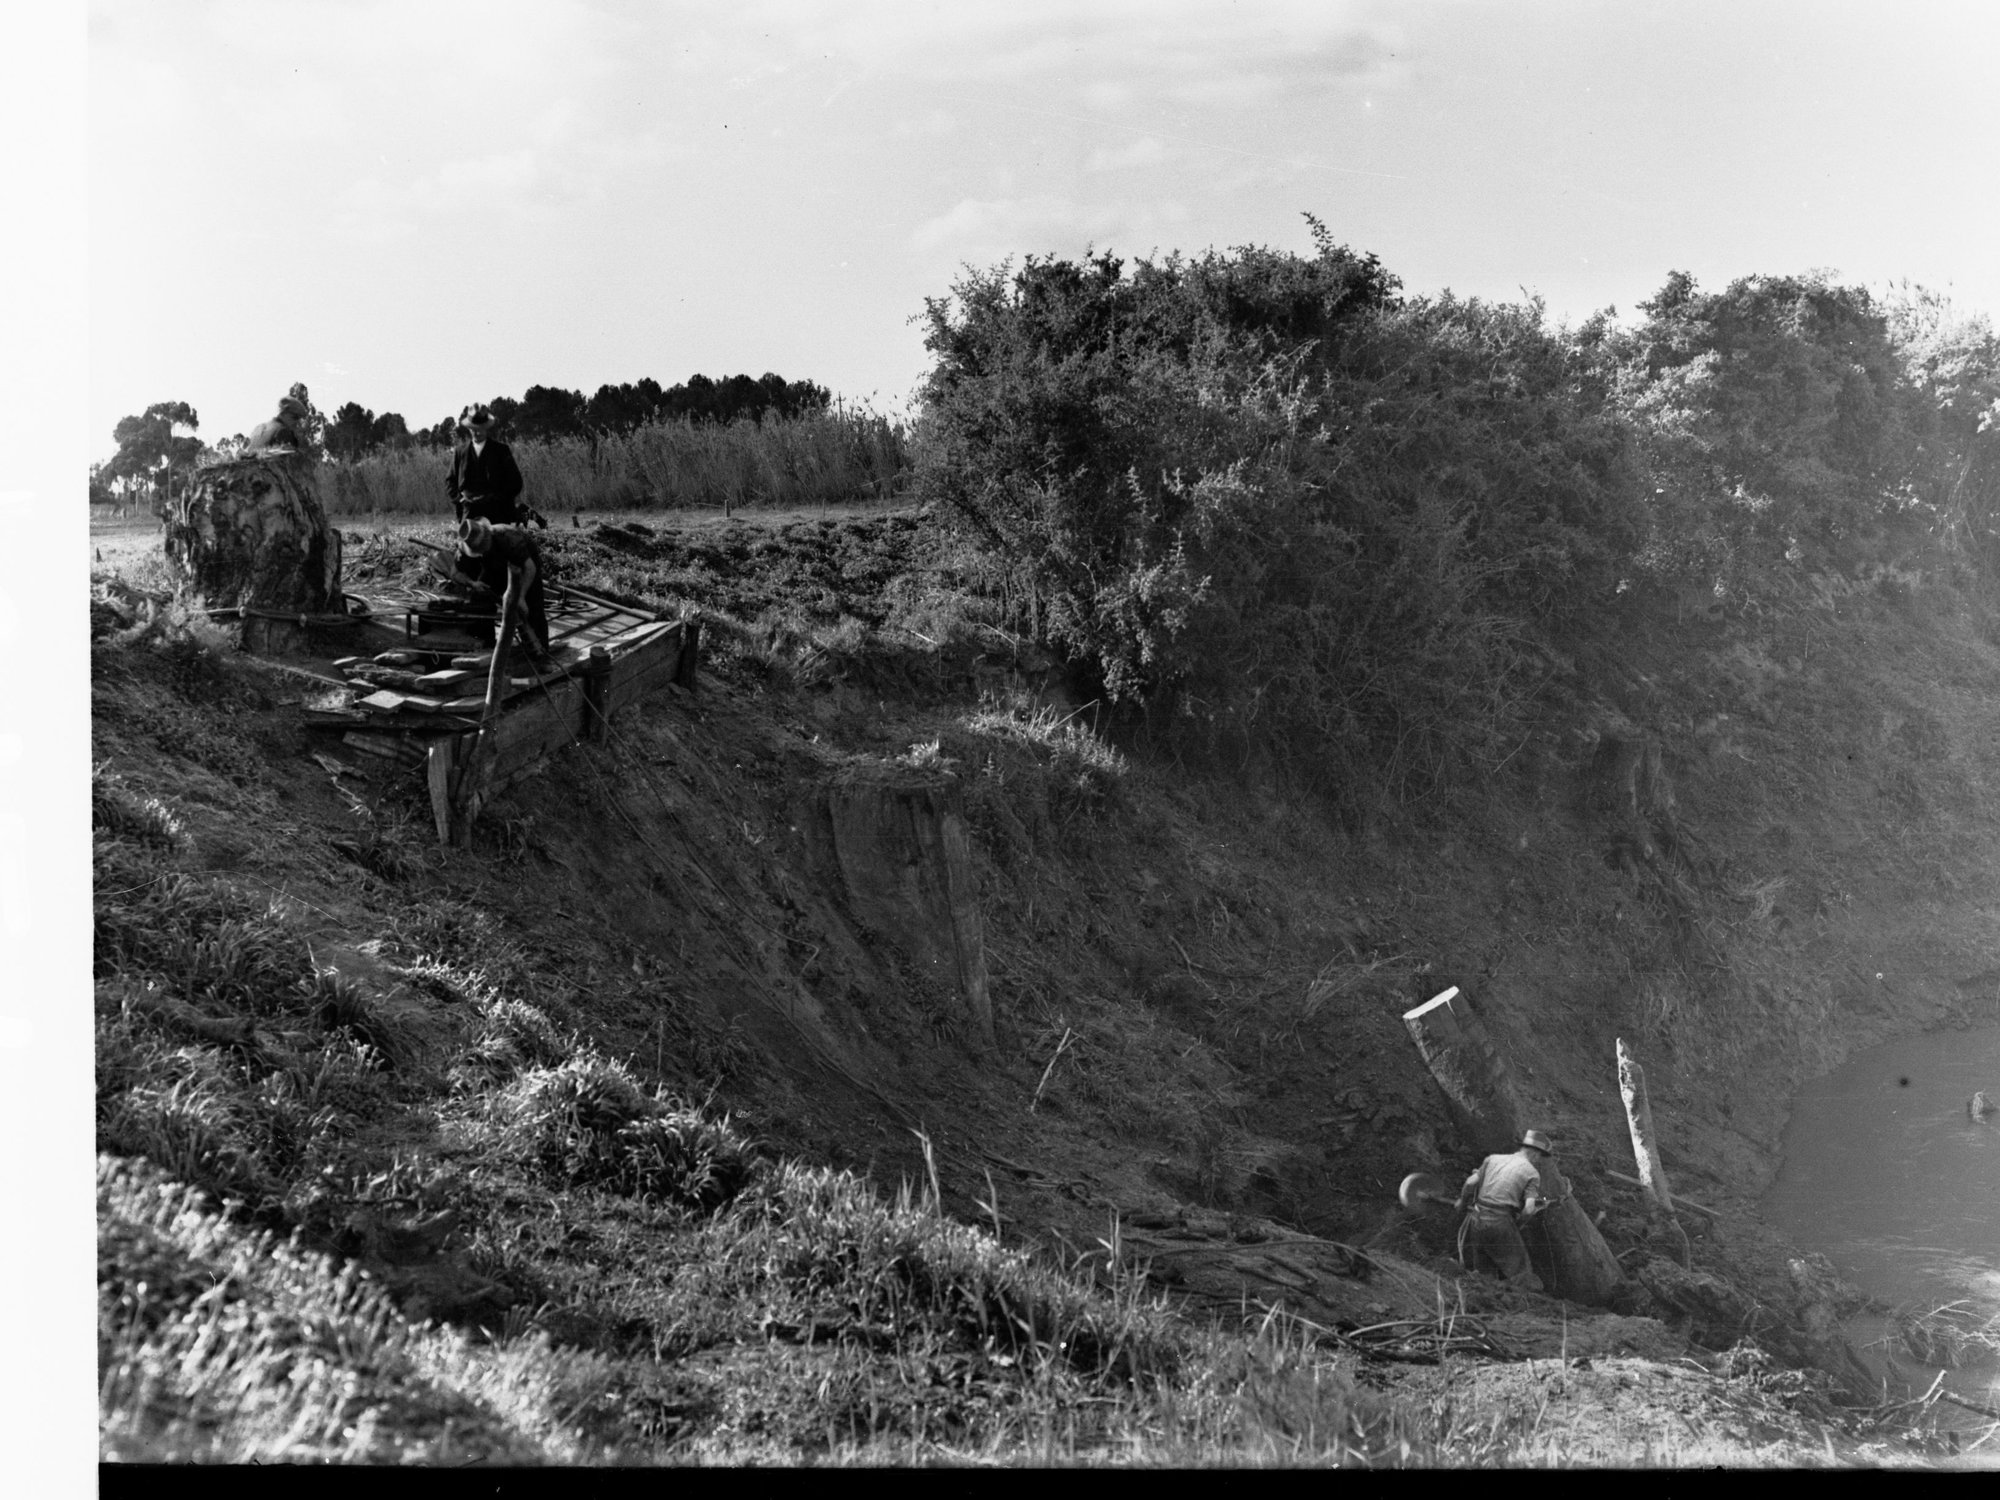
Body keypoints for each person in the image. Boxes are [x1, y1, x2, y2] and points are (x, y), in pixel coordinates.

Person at [1454, 1129, 1557, 1291]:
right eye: (1540, 1157)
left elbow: (1469, 1183)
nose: (1539, 1161)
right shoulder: (1532, 1173)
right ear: (1535, 1154)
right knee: (1522, 1274)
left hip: (1477, 1220)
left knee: (1483, 1273)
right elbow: (1529, 1209)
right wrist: (1518, 1223)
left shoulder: (1493, 1159)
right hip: (1500, 1223)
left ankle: (1480, 1300)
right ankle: (1528, 1309)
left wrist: (1462, 1203)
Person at [452, 516, 554, 666]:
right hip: (493, 568)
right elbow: (454, 573)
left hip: (524, 567)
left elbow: (530, 568)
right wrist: (472, 583)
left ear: (488, 536)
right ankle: (485, 648)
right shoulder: (465, 547)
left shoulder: (508, 537)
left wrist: (520, 597)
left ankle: (541, 657)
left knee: (532, 609)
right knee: (479, 600)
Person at [244, 394, 311, 453]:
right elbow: (296, 462)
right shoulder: (284, 432)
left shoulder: (258, 428)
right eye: (295, 417)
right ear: (283, 413)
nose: (297, 423)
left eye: (300, 420)